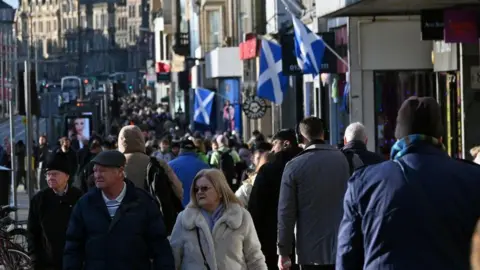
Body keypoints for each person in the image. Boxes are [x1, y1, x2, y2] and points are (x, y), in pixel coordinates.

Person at [336, 96, 480, 270]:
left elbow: (347, 254)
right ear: (440, 138)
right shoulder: (472, 178)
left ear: (398, 138)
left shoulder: (365, 182)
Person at [63, 150, 175, 270]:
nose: (97, 175)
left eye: (103, 171)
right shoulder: (85, 204)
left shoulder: (143, 202)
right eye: (95, 170)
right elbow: (73, 248)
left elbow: (160, 247)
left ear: (120, 172)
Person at [278, 117, 351, 270]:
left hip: (309, 252)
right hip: (341, 245)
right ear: (323, 134)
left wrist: (283, 251)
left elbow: (286, 212)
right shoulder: (342, 160)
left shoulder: (294, 166)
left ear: (301, 137)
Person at [169, 169, 267, 269]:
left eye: (204, 188)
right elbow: (173, 258)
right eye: (196, 189)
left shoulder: (241, 216)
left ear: (220, 191)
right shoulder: (184, 218)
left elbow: (254, 257)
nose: (199, 192)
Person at [248, 129, 303, 270]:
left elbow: (255, 207)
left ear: (286, 144)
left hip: (271, 239)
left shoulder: (268, 170)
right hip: (303, 241)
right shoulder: (305, 167)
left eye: (275, 144)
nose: (272, 148)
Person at [27, 152, 83, 270]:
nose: (50, 177)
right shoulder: (39, 200)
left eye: (55, 174)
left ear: (67, 176)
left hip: (74, 262)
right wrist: (35, 259)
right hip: (46, 264)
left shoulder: (79, 198)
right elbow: (32, 233)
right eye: (48, 174)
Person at [168, 140, 209, 206]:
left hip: (177, 208)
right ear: (194, 150)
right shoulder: (204, 166)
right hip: (199, 207)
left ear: (180, 150)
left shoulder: (169, 166)